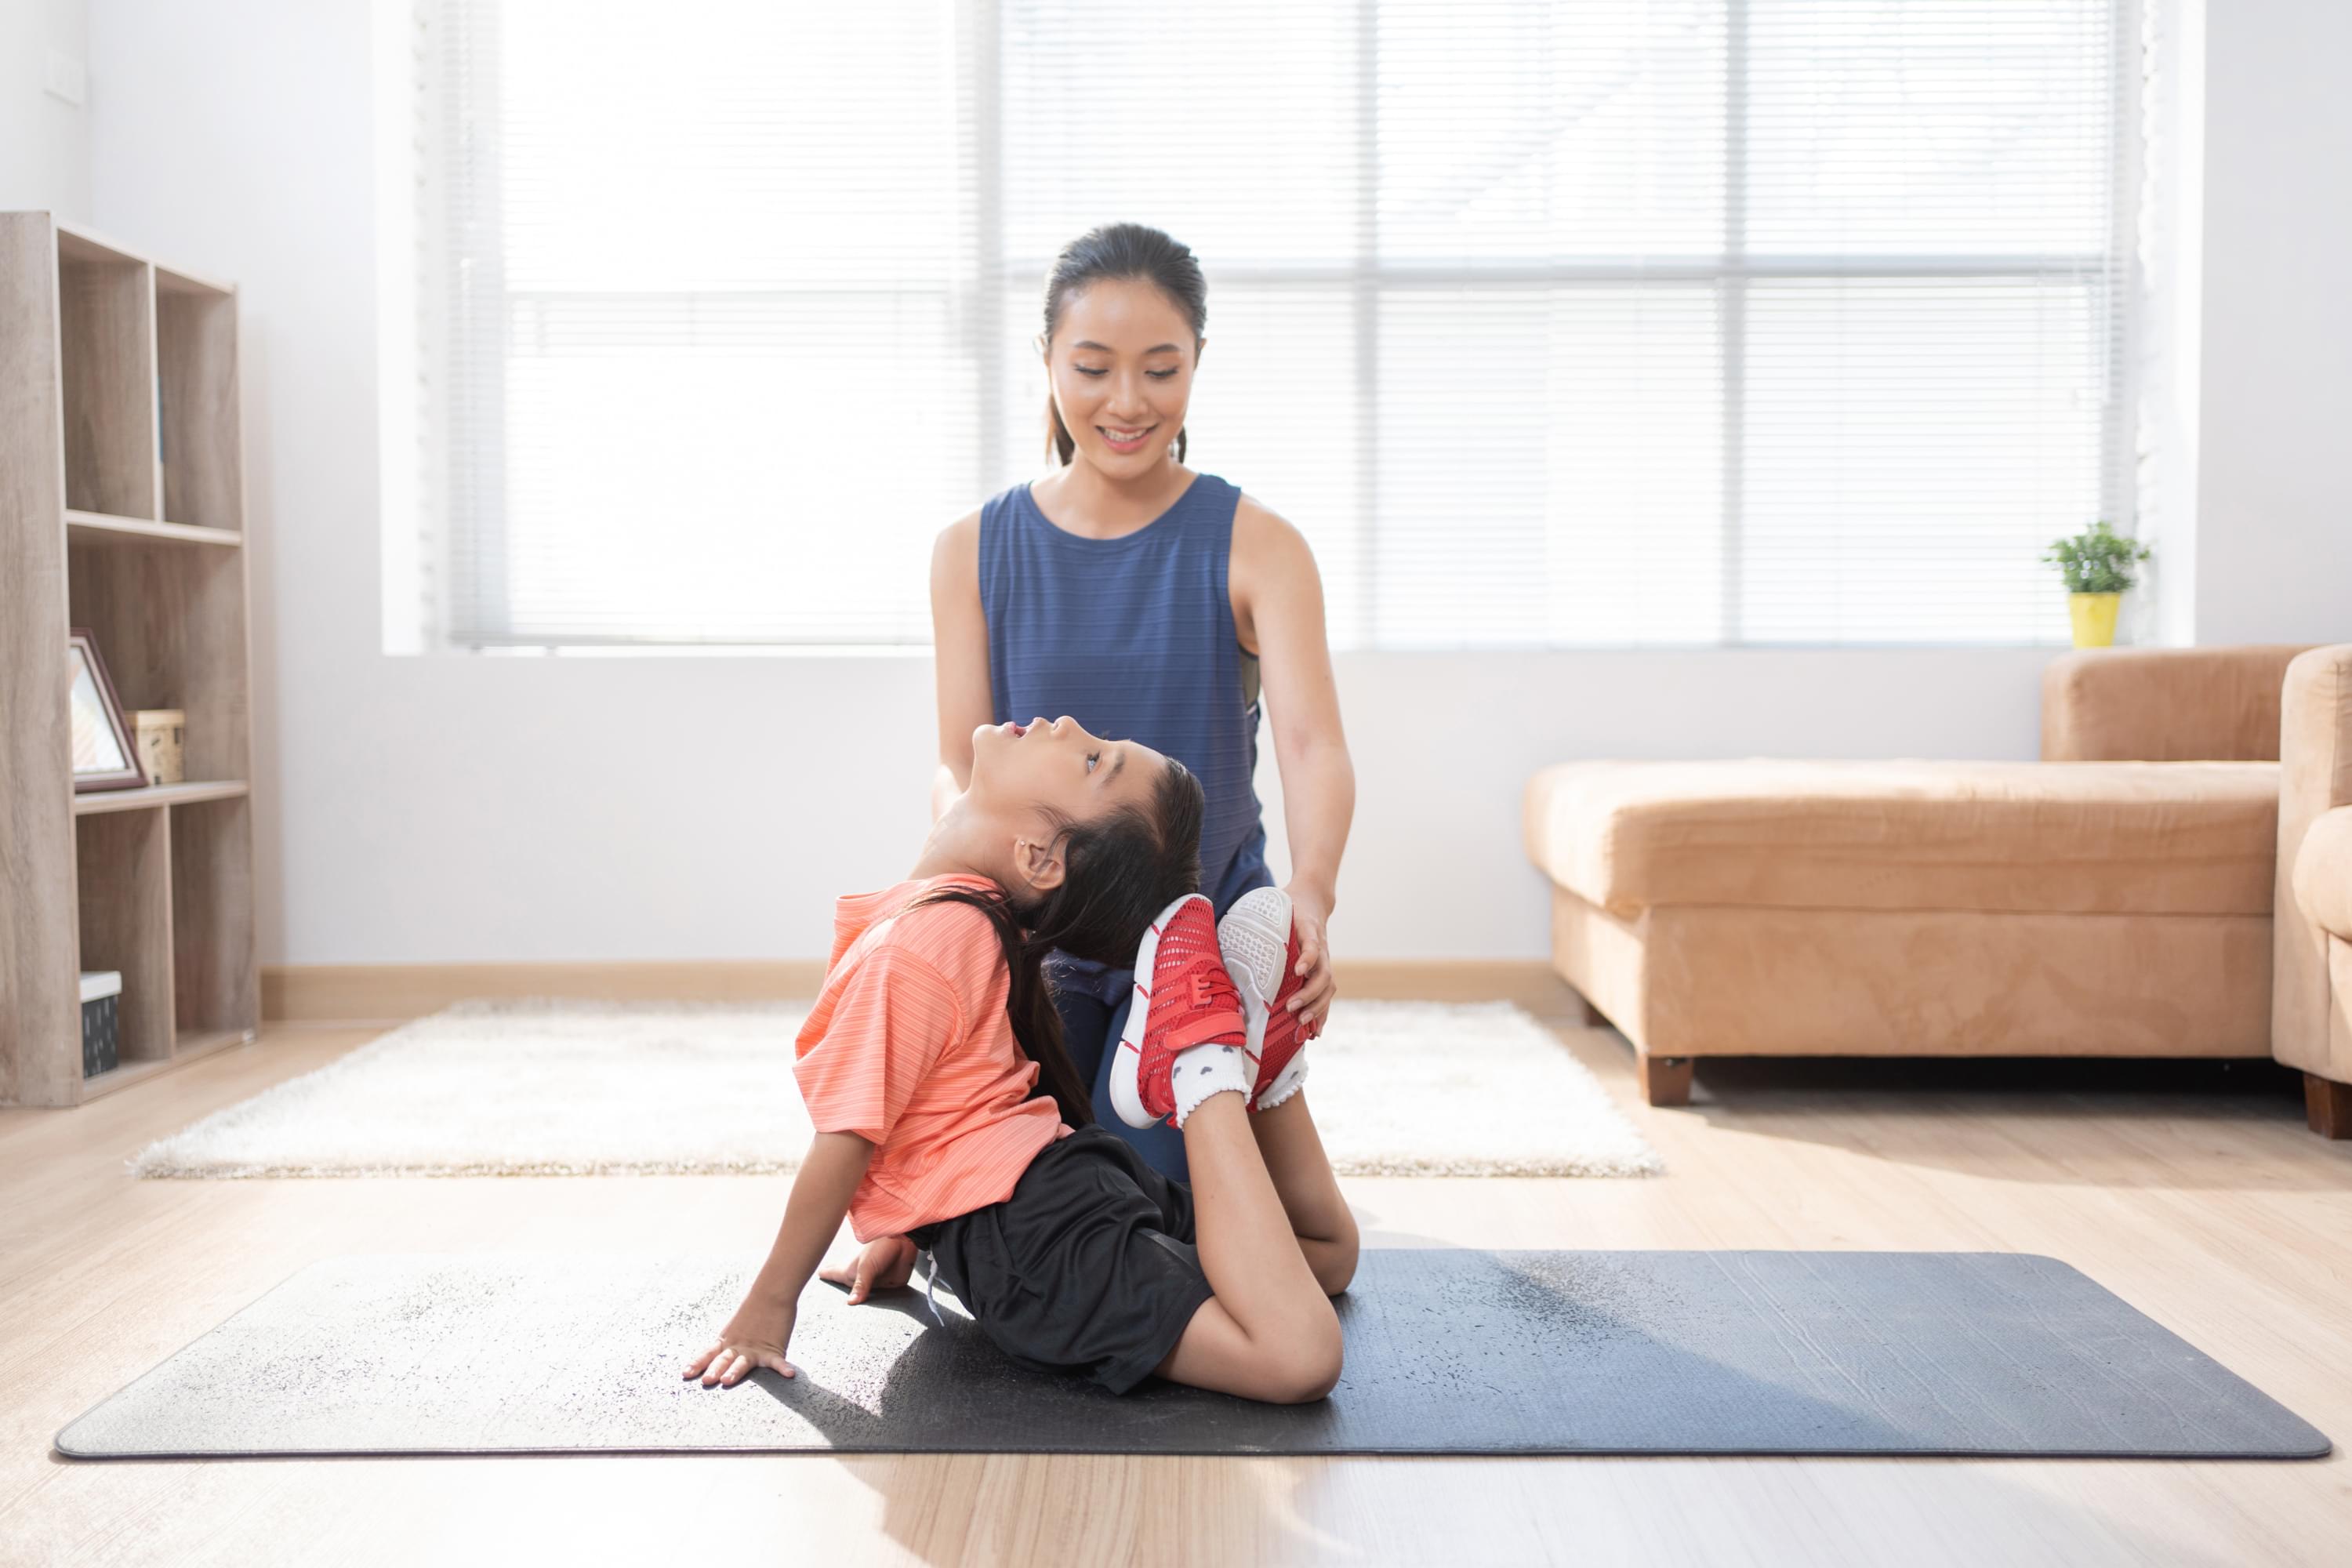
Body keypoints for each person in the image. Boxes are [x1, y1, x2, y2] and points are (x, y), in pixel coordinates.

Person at [684, 714, 1359, 1402]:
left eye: (1094, 761)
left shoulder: (920, 941)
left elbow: (849, 1137)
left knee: (1297, 1357)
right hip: (1061, 1185)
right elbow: (948, 1095)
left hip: (1037, 1239)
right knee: (1325, 1256)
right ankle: (1257, 1062)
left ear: (1040, 855)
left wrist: (769, 1309)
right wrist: (913, 1226)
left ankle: (1201, 1060)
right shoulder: (966, 913)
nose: (1066, 725)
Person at [928, 221, 1357, 1181]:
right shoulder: (970, 549)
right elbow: (961, 767)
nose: (1127, 402)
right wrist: (955, 910)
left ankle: (1246, 1071)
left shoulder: (1259, 543)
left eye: (1161, 370)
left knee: (1151, 1205)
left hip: (1203, 929)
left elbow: (1310, 745)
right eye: (1092, 367)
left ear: (1198, 361)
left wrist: (1311, 900)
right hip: (1050, 930)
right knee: (1025, 1195)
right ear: (1046, 361)